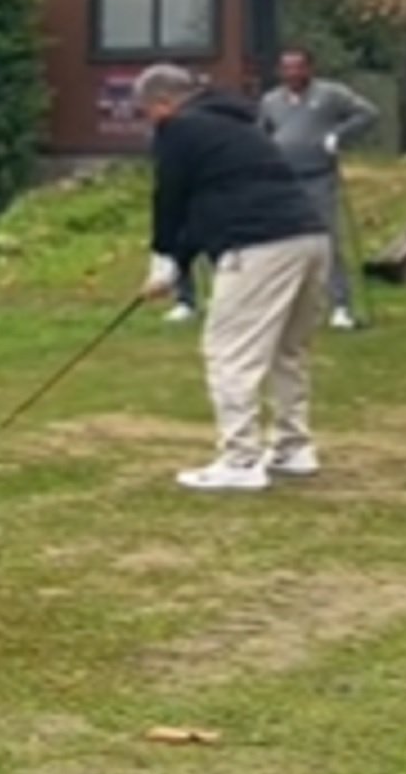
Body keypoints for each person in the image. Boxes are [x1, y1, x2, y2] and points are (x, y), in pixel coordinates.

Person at [135, 63, 331, 493]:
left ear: (162, 103)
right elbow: (203, 205)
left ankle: (241, 459)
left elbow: (170, 198)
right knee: (286, 350)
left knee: (229, 352)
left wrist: (162, 259)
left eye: (144, 112)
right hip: (310, 238)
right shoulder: (238, 125)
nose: (147, 123)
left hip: (257, 245)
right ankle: (293, 448)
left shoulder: (178, 129)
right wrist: (177, 265)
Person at [260, 48, 379, 331]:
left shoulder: (330, 94)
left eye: (298, 68)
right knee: (282, 243)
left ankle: (340, 306)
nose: (293, 74)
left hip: (319, 175)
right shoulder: (271, 100)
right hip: (283, 179)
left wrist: (337, 135)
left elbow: (368, 114)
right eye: (287, 69)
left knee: (326, 240)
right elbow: (262, 132)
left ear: (310, 69)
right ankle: (290, 304)